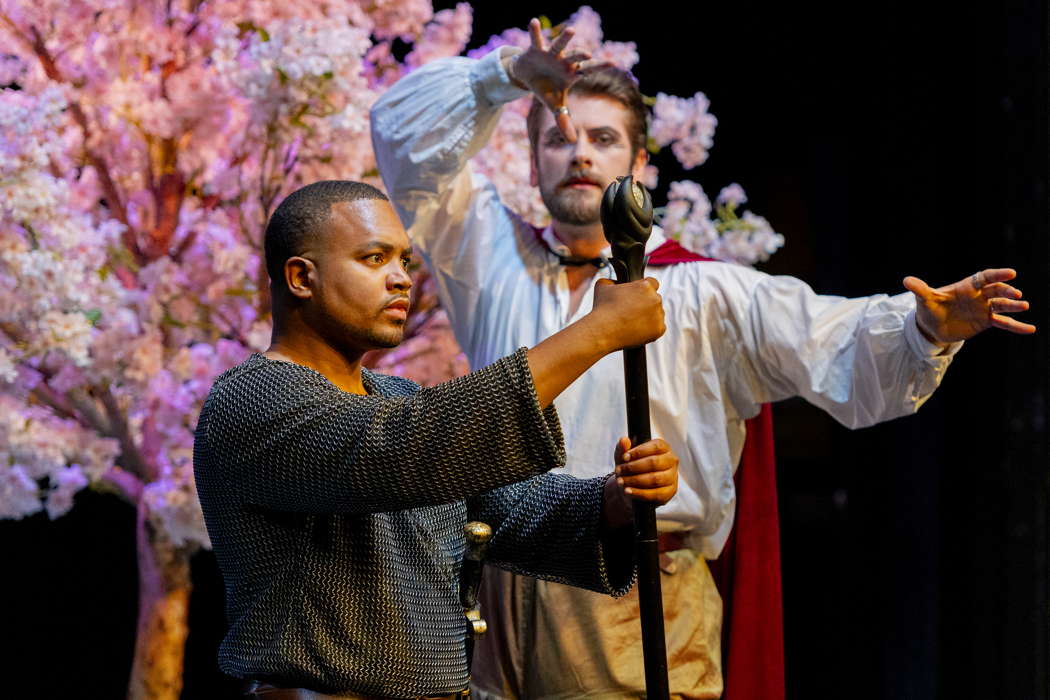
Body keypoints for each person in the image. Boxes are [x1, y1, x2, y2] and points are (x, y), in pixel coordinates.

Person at [369, 19, 1036, 700]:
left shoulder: (701, 288)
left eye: (602, 140)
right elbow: (401, 138)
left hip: (629, 590)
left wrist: (923, 324)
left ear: (639, 166)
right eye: (558, 139)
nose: (579, 155)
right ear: (532, 159)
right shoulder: (490, 256)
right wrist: (503, 73)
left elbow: (828, 337)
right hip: (502, 582)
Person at [192, 180, 683, 699]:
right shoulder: (251, 401)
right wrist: (595, 334)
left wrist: (614, 500)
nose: (401, 279)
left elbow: (509, 510)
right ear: (300, 277)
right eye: (374, 258)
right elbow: (402, 452)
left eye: (404, 261)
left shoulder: (394, 397)